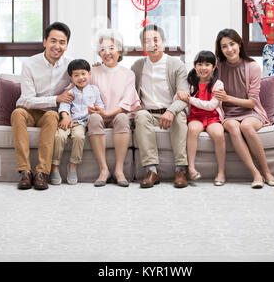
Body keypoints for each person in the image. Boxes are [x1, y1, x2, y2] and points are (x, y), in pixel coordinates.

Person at [214, 28, 274, 189]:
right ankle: (255, 174)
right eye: (224, 46)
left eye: (232, 44)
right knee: (234, 128)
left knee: (246, 126)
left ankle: (267, 172)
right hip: (228, 114)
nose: (229, 49)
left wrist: (228, 98)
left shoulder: (252, 67)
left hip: (251, 112)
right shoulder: (219, 67)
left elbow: (252, 102)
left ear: (239, 44)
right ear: (220, 50)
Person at [11, 22, 73, 190]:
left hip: (50, 115)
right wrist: (56, 99)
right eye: (53, 41)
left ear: (66, 45)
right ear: (45, 42)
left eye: (62, 42)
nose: (57, 46)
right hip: (29, 112)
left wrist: (96, 69)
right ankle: (25, 172)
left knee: (52, 116)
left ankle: (41, 173)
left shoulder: (70, 66)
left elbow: (84, 80)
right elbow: (27, 100)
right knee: (17, 113)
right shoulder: (30, 64)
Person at [132, 24, 189, 189]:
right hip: (148, 114)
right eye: (147, 41)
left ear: (164, 42)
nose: (152, 44)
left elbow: (183, 95)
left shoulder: (176, 65)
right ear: (143, 46)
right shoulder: (137, 66)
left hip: (171, 111)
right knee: (140, 116)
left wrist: (171, 111)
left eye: (156, 40)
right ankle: (151, 171)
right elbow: (126, 86)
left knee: (180, 116)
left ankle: (180, 170)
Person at [88, 29, 140, 187]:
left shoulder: (128, 74)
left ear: (120, 51)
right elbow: (82, 92)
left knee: (123, 117)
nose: (107, 52)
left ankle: (119, 170)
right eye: (102, 49)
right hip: (99, 116)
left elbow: (126, 102)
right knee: (94, 118)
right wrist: (96, 111)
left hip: (118, 115)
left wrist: (108, 113)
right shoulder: (92, 71)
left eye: (111, 48)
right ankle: (104, 170)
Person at [50, 59, 104, 185]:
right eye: (76, 75)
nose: (81, 78)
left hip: (82, 123)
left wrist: (97, 110)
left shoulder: (94, 90)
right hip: (68, 121)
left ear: (89, 74)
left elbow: (101, 105)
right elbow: (64, 106)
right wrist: (64, 116)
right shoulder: (70, 91)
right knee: (59, 137)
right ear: (71, 78)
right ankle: (54, 166)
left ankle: (73, 166)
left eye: (83, 74)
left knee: (79, 137)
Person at [176, 50, 226, 186]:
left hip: (212, 117)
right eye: (200, 64)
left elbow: (211, 106)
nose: (203, 68)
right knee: (192, 129)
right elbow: (180, 98)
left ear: (214, 67)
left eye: (207, 64)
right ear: (194, 66)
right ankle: (191, 168)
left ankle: (221, 172)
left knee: (218, 133)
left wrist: (190, 99)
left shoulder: (218, 84)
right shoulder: (191, 82)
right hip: (196, 116)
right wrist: (180, 94)